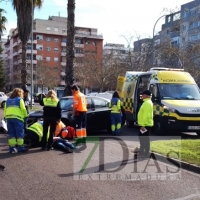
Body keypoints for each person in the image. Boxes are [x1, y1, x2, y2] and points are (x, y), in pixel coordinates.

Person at [4, 88, 28, 153]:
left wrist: (5, 117)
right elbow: (23, 109)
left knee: (11, 134)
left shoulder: (8, 100)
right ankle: (20, 148)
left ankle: (12, 148)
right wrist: (26, 116)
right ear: (20, 93)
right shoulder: (20, 100)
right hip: (17, 118)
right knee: (19, 133)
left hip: (9, 118)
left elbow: (5, 109)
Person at [137, 90, 153, 158]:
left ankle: (144, 153)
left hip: (145, 124)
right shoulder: (147, 102)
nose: (142, 96)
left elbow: (146, 115)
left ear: (146, 95)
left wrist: (143, 125)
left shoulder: (147, 103)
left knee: (144, 139)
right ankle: (143, 152)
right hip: (145, 124)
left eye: (143, 94)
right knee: (144, 139)